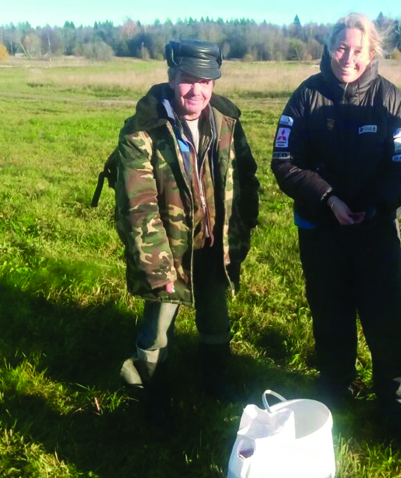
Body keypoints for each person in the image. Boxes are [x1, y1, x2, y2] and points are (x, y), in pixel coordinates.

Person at [271, 13, 401, 432]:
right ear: (328, 47)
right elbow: (284, 162)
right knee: (330, 314)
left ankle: (398, 408)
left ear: (372, 52)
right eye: (341, 47)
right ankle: (333, 396)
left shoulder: (392, 101)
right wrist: (328, 198)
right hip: (322, 230)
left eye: (358, 50)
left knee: (388, 318)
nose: (348, 58)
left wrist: (374, 205)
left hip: (375, 230)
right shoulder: (304, 97)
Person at [114, 40, 260, 427]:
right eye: (187, 81)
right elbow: (138, 207)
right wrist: (159, 269)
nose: (197, 91)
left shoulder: (226, 120)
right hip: (169, 249)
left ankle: (216, 379)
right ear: (170, 77)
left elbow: (246, 176)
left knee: (216, 318)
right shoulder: (142, 129)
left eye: (206, 81)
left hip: (213, 245)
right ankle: (153, 393)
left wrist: (241, 234)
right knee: (157, 329)